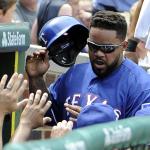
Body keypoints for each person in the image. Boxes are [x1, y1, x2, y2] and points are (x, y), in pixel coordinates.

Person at [25, 10, 150, 128]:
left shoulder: (142, 86)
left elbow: (143, 136)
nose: (99, 53)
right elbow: (47, 116)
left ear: (123, 46)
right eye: (93, 46)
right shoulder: (75, 73)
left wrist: (106, 129)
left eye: (107, 48)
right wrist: (36, 78)